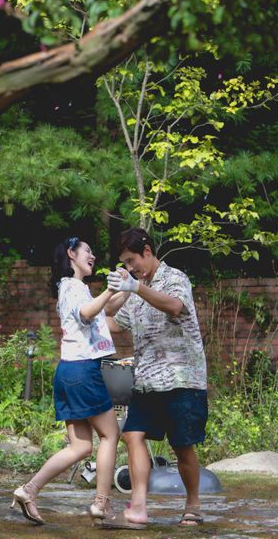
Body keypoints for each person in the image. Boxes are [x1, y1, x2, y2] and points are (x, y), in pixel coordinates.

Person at [105, 227, 208, 530]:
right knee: (132, 434)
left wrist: (136, 287)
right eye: (124, 263)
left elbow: (174, 306)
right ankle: (138, 507)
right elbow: (114, 323)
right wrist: (85, 312)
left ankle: (193, 505)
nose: (129, 267)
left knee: (182, 445)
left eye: (131, 260)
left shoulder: (175, 278)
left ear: (147, 251)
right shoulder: (135, 290)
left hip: (181, 377)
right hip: (147, 379)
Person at [12, 236, 119, 526]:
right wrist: (111, 289)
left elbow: (106, 311)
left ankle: (29, 490)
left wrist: (127, 288)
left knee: (80, 447)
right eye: (87, 251)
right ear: (71, 254)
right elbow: (87, 314)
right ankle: (101, 504)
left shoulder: (74, 288)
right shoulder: (72, 286)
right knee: (110, 435)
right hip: (84, 371)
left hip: (69, 372)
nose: (92, 256)